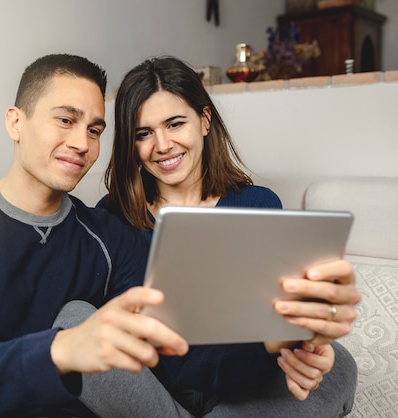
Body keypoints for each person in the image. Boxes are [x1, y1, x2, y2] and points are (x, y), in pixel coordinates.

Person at [0, 53, 358, 418]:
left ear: (204, 121)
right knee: (76, 318)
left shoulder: (104, 236)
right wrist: (65, 348)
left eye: (94, 129)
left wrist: (273, 345)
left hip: (166, 387)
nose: (81, 143)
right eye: (64, 120)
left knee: (337, 365)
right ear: (15, 121)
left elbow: (181, 354)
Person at [96, 55, 360, 416]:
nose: (162, 144)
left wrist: (305, 346)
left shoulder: (258, 204)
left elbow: (279, 314)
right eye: (144, 133)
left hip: (249, 378)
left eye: (175, 124)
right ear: (130, 142)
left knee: (338, 363)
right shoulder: (114, 217)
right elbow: (148, 349)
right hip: (162, 389)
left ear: (205, 121)